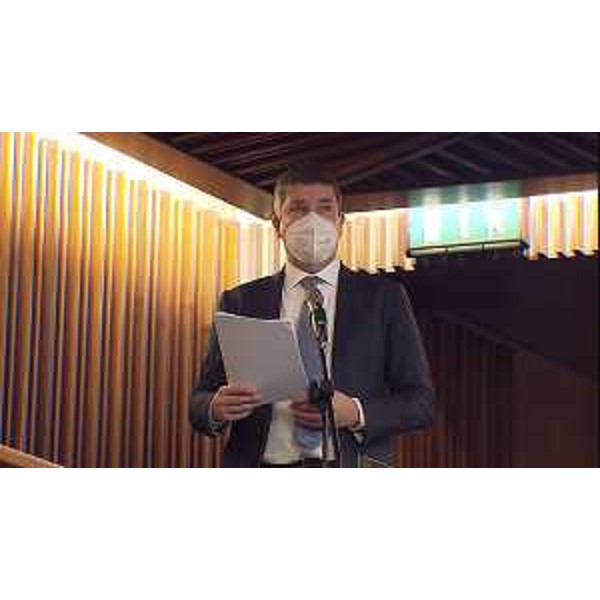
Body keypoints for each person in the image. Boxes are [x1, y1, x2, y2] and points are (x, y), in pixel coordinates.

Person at [189, 163, 435, 467]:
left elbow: (421, 402)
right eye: (298, 209)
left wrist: (356, 413)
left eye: (325, 208)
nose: (313, 220)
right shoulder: (240, 301)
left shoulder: (383, 298)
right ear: (277, 225)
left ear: (340, 222)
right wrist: (214, 408)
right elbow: (200, 400)